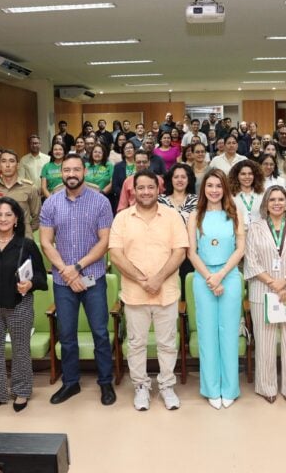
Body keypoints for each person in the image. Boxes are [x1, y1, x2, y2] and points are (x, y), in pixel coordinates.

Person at [40, 154, 117, 406]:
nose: (71, 174)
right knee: (67, 334)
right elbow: (45, 242)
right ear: (60, 173)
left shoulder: (101, 202)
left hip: (93, 277)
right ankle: (70, 383)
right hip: (63, 282)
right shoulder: (50, 204)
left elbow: (104, 241)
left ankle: (105, 382)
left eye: (76, 169)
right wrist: (66, 271)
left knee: (100, 333)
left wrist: (77, 267)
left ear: (85, 171)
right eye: (66, 170)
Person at [110, 169, 189, 411]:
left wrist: (158, 279)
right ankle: (141, 387)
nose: (145, 191)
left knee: (167, 343)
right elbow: (115, 254)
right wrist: (142, 280)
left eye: (150, 187)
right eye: (140, 187)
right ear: (133, 191)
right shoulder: (122, 218)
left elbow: (180, 251)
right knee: (136, 344)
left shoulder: (172, 216)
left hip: (166, 291)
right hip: (135, 293)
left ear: (159, 189)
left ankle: (166, 386)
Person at [0, 197, 48, 416]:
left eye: (8, 214)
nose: (3, 218)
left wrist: (31, 283)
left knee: (21, 350)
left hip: (19, 305)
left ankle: (21, 391)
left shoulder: (27, 244)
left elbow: (41, 277)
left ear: (16, 219)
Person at [245, 187, 286, 403]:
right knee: (264, 340)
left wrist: (285, 281)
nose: (277, 203)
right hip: (262, 289)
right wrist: (273, 282)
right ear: (265, 204)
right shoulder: (255, 228)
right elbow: (251, 261)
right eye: (272, 199)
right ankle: (267, 386)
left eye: (281, 199)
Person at [187, 169, 246, 409]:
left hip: (229, 276)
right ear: (204, 189)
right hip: (203, 277)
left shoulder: (235, 213)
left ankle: (230, 388)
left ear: (225, 189)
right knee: (208, 333)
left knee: (229, 333)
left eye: (218, 186)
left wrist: (221, 275)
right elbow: (191, 252)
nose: (214, 190)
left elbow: (240, 249)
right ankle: (211, 388)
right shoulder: (195, 216)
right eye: (209, 186)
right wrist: (210, 277)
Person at [158, 163, 199, 299]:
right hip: (165, 252)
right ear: (170, 179)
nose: (180, 180)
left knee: (188, 292)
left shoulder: (197, 201)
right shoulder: (160, 201)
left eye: (183, 177)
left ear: (189, 180)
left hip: (190, 252)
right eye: (176, 177)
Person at [0, 149, 41, 239]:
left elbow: (37, 217)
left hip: (23, 239)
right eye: (3, 161)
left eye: (11, 161)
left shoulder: (30, 188)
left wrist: (25, 229)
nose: (7, 165)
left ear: (17, 165)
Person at [229, 159, 265, 229]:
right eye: (243, 174)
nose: (247, 177)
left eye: (250, 174)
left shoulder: (262, 194)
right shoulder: (231, 196)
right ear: (237, 176)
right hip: (238, 233)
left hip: (258, 233)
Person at [112, 141, 137, 210]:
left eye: (131, 148)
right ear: (123, 152)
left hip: (139, 199)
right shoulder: (118, 166)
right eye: (126, 148)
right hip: (122, 200)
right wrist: (126, 196)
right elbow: (115, 186)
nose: (128, 150)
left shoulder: (140, 164)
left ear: (135, 150)